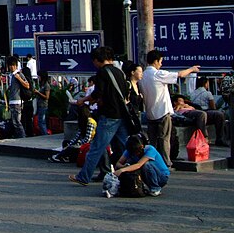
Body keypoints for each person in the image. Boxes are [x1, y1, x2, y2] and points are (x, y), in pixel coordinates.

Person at [69, 46, 130, 187]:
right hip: (122, 114)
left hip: (109, 115)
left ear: (97, 60)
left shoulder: (102, 73)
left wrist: (83, 100)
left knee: (96, 147)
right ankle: (128, 173)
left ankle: (84, 177)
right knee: (123, 147)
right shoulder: (119, 73)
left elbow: (98, 93)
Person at [140, 49, 200, 167]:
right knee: (164, 139)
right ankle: (166, 163)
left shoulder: (143, 75)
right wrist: (192, 69)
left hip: (150, 112)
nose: (161, 64)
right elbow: (180, 74)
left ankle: (152, 161)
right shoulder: (158, 74)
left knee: (152, 141)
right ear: (156, 61)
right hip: (162, 111)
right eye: (160, 61)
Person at [189, 77, 228, 146]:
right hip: (205, 112)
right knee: (220, 115)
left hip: (195, 113)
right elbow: (213, 107)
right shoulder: (207, 93)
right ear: (205, 84)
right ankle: (220, 138)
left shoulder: (192, 94)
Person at [6, 56, 29, 138]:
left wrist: (19, 79)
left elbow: (27, 85)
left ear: (16, 65)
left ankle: (23, 137)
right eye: (10, 65)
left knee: (17, 122)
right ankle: (19, 136)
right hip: (11, 101)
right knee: (14, 121)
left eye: (13, 65)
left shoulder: (18, 74)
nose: (12, 67)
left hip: (17, 101)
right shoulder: (10, 76)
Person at [33, 70, 51, 135]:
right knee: (39, 121)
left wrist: (38, 93)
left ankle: (45, 134)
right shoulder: (41, 85)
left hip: (43, 105)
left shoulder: (46, 85)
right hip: (39, 104)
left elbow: (47, 97)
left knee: (41, 121)